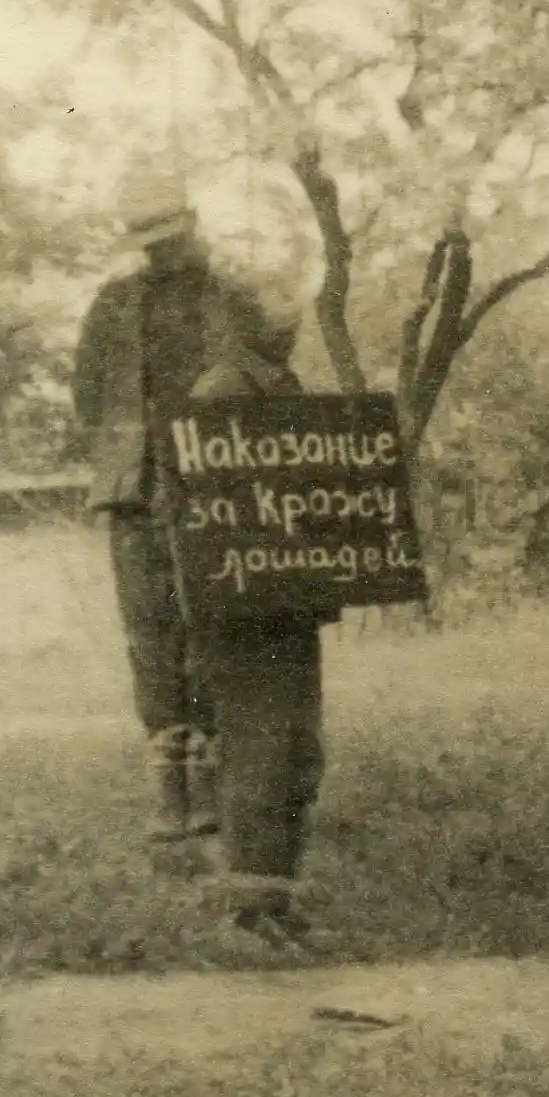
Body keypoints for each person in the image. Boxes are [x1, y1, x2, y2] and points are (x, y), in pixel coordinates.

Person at [69, 165, 253, 845]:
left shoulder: (227, 299)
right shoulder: (113, 303)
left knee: (208, 631)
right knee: (149, 637)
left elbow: (255, 380)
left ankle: (206, 778)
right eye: (148, 240)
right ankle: (166, 785)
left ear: (193, 226)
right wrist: (122, 456)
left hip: (209, 491)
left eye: (169, 236)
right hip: (135, 493)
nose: (161, 250)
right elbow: (86, 391)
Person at [185, 264, 334, 945]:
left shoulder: (283, 384)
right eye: (279, 306)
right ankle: (245, 911)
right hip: (243, 611)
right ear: (246, 317)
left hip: (289, 602)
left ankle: (278, 898)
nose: (293, 317)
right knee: (257, 751)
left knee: (299, 751)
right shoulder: (221, 390)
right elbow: (211, 509)